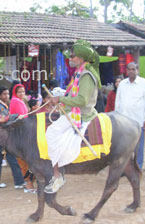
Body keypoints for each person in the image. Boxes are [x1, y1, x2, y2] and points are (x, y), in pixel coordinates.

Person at [45, 40, 101, 194]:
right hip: (74, 110)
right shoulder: (79, 73)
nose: (71, 58)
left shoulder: (86, 75)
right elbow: (73, 95)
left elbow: (82, 101)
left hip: (82, 114)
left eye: (74, 56)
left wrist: (61, 99)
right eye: (70, 55)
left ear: (82, 58)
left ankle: (57, 176)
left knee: (51, 132)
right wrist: (60, 99)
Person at [115, 62, 145, 169]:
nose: (131, 71)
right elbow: (118, 101)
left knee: (138, 146)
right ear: (126, 71)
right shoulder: (122, 84)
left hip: (138, 121)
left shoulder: (144, 83)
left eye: (133, 69)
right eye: (129, 69)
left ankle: (137, 166)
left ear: (137, 70)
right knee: (124, 146)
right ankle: (125, 168)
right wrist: (117, 117)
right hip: (124, 121)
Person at [0, 86, 25, 189]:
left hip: (3, 137)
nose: (7, 96)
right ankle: (19, 182)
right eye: (4, 94)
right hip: (3, 137)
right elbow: (2, 121)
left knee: (2, 159)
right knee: (10, 158)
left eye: (8, 94)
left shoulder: (4, 107)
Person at [10, 84, 36, 193]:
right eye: (19, 92)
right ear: (15, 92)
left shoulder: (18, 101)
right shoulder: (16, 101)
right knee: (25, 160)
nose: (22, 94)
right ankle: (28, 185)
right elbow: (22, 118)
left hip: (22, 132)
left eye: (23, 91)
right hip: (20, 134)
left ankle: (28, 184)